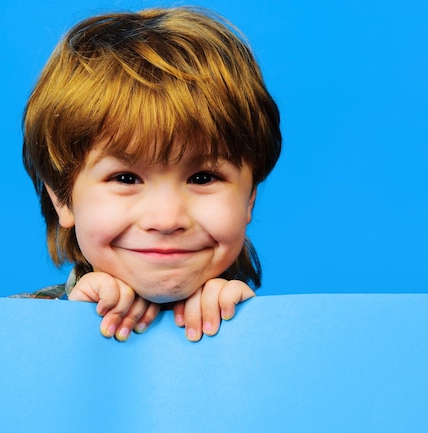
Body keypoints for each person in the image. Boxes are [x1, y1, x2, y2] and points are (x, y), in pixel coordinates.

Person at [18, 7, 282, 341]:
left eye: (202, 178)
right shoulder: (9, 330)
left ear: (249, 198)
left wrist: (251, 336)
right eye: (126, 178)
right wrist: (64, 329)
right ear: (62, 198)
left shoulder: (282, 335)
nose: (167, 219)